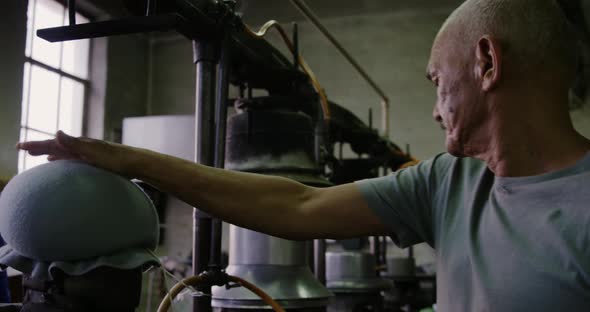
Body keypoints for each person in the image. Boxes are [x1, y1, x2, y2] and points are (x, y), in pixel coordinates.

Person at [16, 0, 590, 310]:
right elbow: (298, 207)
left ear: (487, 64)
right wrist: (133, 160)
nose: (436, 107)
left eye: (438, 79)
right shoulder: (450, 181)